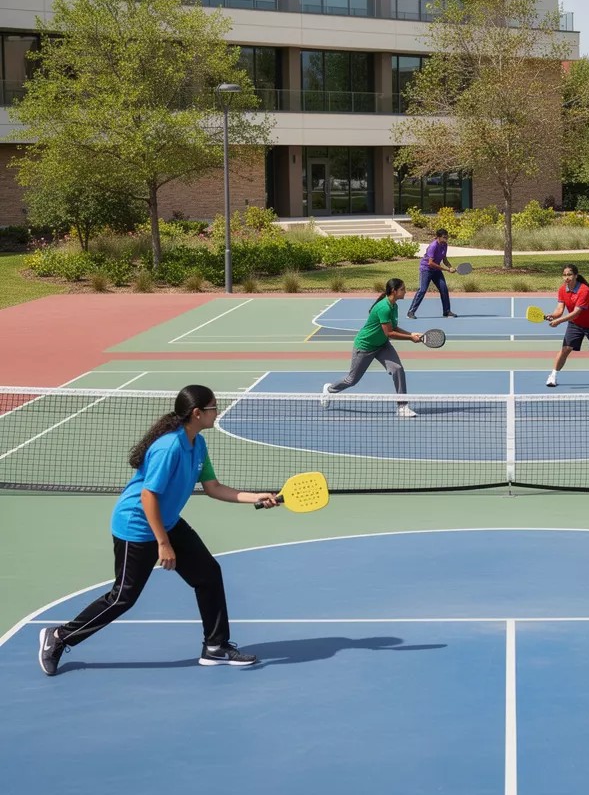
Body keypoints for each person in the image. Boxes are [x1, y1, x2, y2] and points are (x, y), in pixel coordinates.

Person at [37, 385, 280, 676]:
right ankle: (60, 637)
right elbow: (148, 496)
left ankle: (215, 647)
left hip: (166, 521)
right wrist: (163, 544)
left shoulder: (197, 444)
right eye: (215, 407)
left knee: (208, 574)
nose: (218, 412)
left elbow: (214, 488)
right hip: (137, 526)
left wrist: (256, 497)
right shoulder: (169, 447)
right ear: (197, 413)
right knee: (123, 597)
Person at [322, 277, 423, 418]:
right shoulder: (384, 307)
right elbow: (390, 333)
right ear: (394, 291)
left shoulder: (394, 306)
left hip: (382, 345)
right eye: (402, 289)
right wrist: (411, 339)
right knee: (352, 380)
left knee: (397, 369)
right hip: (365, 346)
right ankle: (329, 389)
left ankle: (402, 407)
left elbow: (393, 327)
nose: (405, 292)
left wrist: (411, 334)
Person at [407, 228, 457, 319]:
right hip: (426, 269)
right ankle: (411, 312)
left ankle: (446, 311)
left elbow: (444, 259)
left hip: (436, 270)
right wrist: (446, 269)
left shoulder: (445, 245)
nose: (446, 239)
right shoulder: (433, 246)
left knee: (444, 289)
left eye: (447, 237)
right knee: (422, 290)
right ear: (438, 237)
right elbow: (430, 263)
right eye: (444, 237)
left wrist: (450, 267)